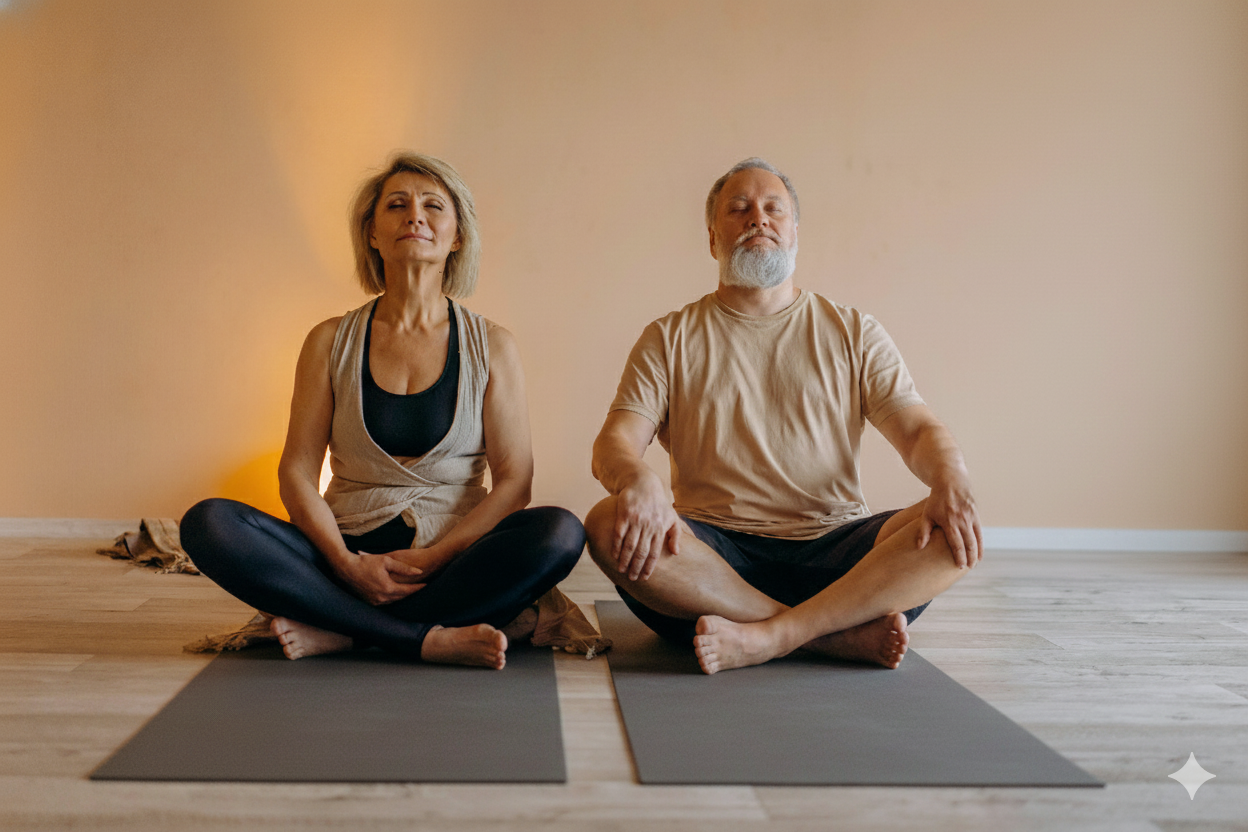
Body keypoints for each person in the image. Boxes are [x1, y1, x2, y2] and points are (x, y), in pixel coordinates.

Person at [181, 152, 585, 669]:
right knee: (209, 523)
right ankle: (423, 638)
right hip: (342, 551)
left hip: (452, 560)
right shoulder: (329, 340)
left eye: (433, 206)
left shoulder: (493, 346)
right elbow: (297, 472)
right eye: (397, 205)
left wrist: (433, 558)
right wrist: (346, 565)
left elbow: (514, 483)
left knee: (560, 532)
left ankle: (346, 632)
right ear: (372, 233)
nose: (414, 215)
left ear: (457, 236)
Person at [585, 157, 982, 675]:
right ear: (712, 238)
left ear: (795, 233)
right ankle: (826, 635)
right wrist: (638, 479)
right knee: (604, 522)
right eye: (739, 208)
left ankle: (772, 635)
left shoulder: (854, 331)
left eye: (774, 209)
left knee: (953, 529)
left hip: (839, 554)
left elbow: (917, 430)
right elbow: (614, 443)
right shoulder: (669, 337)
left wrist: (951, 478)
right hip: (714, 560)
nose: (759, 219)